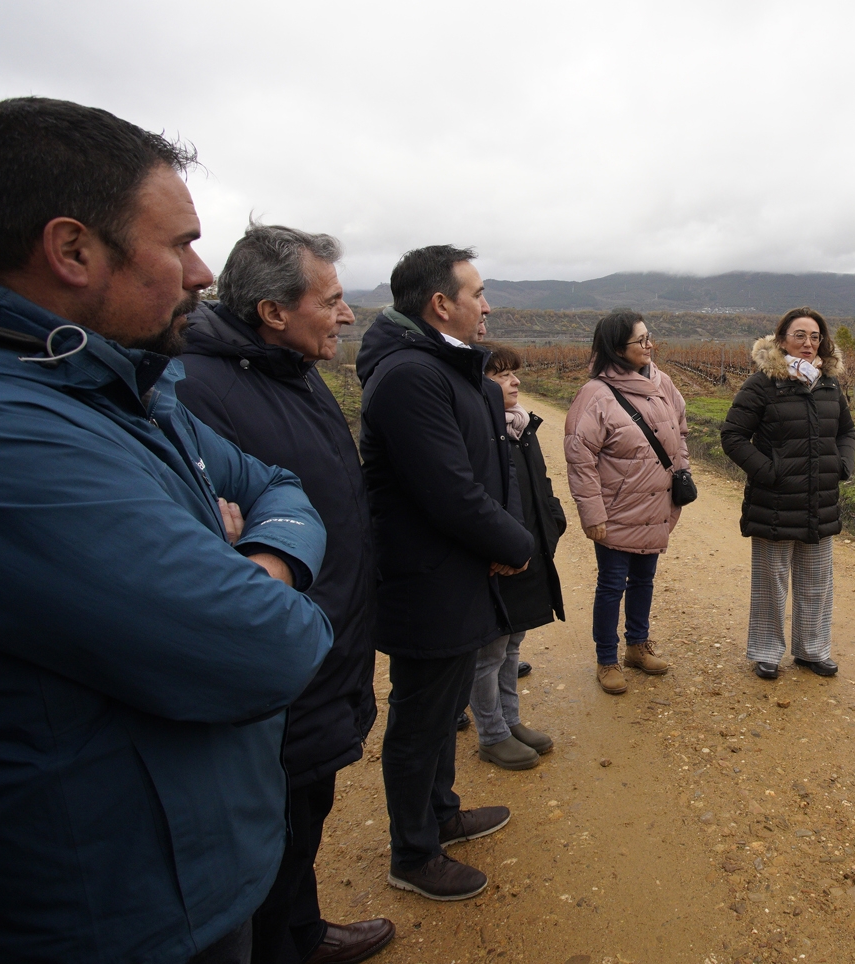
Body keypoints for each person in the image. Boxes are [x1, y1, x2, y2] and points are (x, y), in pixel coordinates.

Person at [0, 97, 333, 963]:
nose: (200, 273)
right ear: (72, 249)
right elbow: (268, 648)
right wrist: (268, 573)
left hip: (189, 872)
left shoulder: (128, 389)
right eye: (179, 242)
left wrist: (242, 555)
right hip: (114, 913)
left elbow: (277, 486)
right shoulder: (21, 438)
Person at [178, 224, 393, 963]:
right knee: (273, 835)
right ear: (274, 311)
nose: (345, 315)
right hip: (283, 670)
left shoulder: (286, 371)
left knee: (304, 819)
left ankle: (302, 931)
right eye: (331, 300)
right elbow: (215, 539)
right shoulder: (202, 388)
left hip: (326, 651)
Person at [357, 245, 533, 901]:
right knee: (419, 719)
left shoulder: (446, 370)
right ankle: (413, 852)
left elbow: (487, 472)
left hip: (457, 576)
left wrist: (502, 540)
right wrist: (515, 543)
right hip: (426, 583)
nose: (487, 305)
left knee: (443, 710)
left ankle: (442, 812)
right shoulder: (410, 377)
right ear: (441, 304)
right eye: (478, 293)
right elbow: (450, 491)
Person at [721, 307, 855, 680]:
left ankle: (812, 651)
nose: (808, 343)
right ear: (781, 340)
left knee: (816, 582)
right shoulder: (763, 384)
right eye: (799, 335)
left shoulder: (829, 385)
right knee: (771, 583)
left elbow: (847, 431)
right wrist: (769, 472)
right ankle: (766, 652)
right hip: (775, 503)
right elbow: (732, 436)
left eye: (815, 336)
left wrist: (842, 464)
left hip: (820, 502)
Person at [564, 308, 689, 695]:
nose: (649, 346)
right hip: (616, 510)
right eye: (641, 341)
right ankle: (606, 659)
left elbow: (680, 430)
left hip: (655, 504)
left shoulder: (662, 383)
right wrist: (592, 513)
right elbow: (579, 456)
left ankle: (637, 645)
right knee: (612, 583)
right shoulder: (596, 395)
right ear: (617, 348)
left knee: (645, 579)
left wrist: (681, 473)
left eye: (650, 338)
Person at [468, 343, 567, 769]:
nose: (515, 381)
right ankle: (491, 734)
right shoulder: (476, 429)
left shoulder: (521, 425)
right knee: (488, 651)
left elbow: (538, 485)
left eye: (515, 373)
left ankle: (510, 721)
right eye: (502, 374)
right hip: (497, 555)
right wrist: (501, 546)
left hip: (526, 549)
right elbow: (473, 500)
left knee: (512, 642)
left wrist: (552, 520)